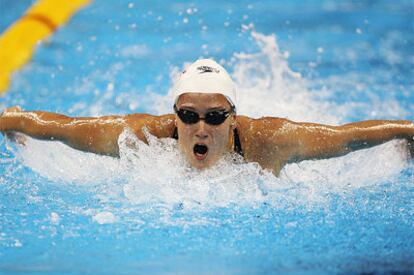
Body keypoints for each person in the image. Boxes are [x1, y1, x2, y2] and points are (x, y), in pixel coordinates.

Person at [1, 59, 413, 175]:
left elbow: (344, 137)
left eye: (215, 117)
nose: (201, 127)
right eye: (189, 115)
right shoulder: (142, 138)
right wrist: (13, 122)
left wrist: (407, 132)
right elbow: (61, 128)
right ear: (174, 117)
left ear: (234, 118)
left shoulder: (269, 140)